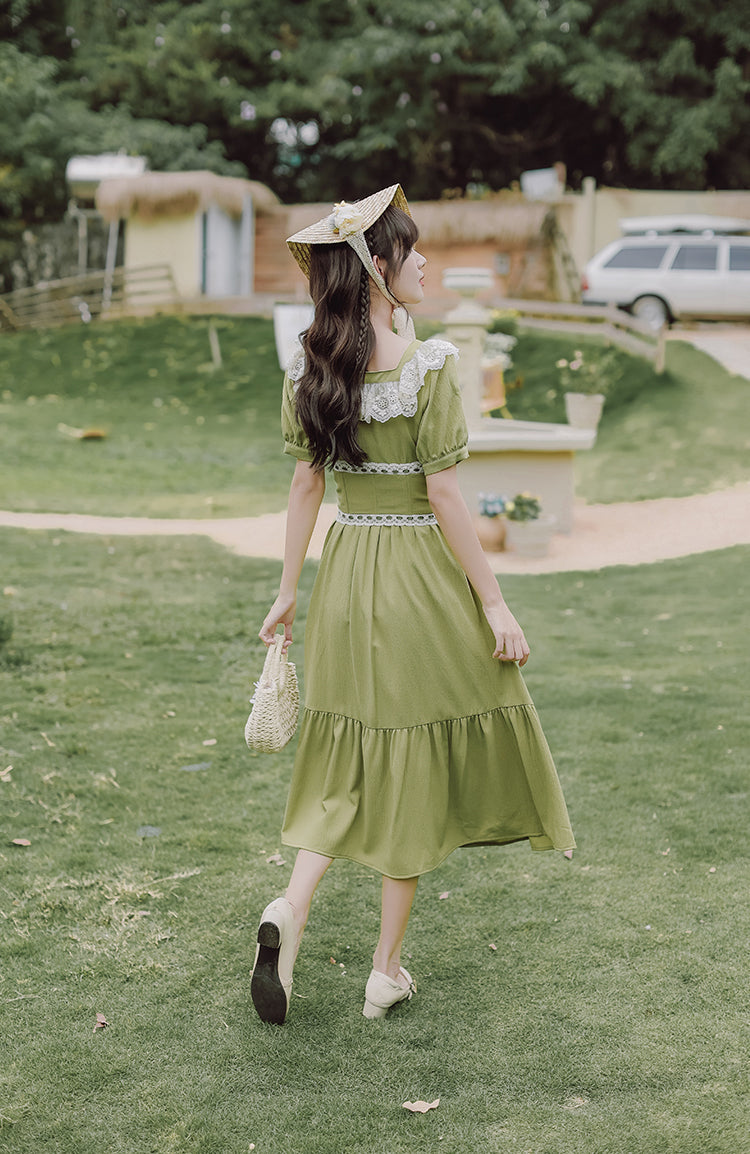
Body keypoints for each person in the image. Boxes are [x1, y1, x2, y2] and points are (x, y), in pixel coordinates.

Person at [252, 185, 575, 1026]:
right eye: (413, 251)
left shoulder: (309, 365)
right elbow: (445, 498)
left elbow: (303, 485)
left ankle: (290, 907)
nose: (426, 262)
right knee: (413, 762)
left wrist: (288, 593)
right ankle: (383, 971)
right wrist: (496, 602)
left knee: (347, 754)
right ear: (378, 268)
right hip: (417, 581)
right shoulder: (427, 365)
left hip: (347, 575)